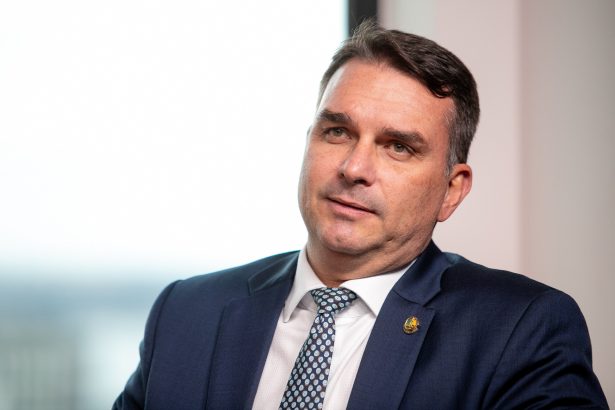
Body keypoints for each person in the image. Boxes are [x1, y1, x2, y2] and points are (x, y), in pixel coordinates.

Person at [113, 21, 607, 409]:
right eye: (337, 132)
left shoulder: (521, 330)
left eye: (398, 147)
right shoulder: (186, 312)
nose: (354, 168)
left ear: (451, 191)